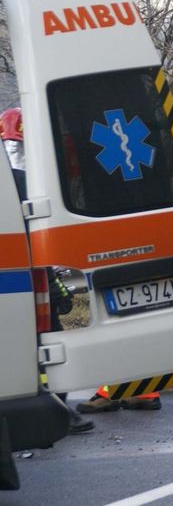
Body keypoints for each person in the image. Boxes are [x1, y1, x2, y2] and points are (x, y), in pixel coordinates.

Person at [0, 107, 94, 434]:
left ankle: (54, 404)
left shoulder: (27, 180)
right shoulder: (26, 182)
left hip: (33, 274)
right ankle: (54, 406)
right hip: (28, 274)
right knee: (46, 339)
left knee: (46, 338)